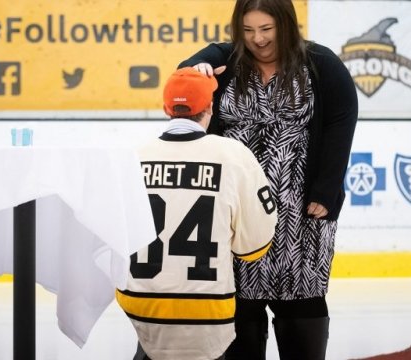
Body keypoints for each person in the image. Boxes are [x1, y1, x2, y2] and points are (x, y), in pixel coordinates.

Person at [178, 0, 359, 359]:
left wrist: (326, 189)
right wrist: (196, 65)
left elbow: (341, 123)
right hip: (234, 211)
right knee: (239, 302)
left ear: (286, 25)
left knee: (302, 300)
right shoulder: (225, 63)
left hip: (301, 211)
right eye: (247, 31)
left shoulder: (321, 65)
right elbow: (183, 81)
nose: (257, 39)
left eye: (266, 29)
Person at [116, 67, 279, 360]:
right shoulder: (234, 155)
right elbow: (254, 247)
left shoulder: (131, 157)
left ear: (167, 108)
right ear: (210, 107)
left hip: (141, 305)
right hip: (209, 309)